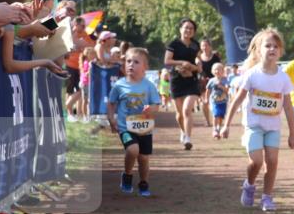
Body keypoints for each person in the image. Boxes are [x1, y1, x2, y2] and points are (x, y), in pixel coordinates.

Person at [221, 28, 294, 211]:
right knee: (256, 161)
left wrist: (293, 134)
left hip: (273, 127)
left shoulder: (283, 77)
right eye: (268, 45)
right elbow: (237, 99)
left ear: (280, 51)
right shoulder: (252, 74)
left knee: (272, 161)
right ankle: (249, 184)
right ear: (258, 50)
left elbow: (288, 106)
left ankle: (267, 197)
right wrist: (226, 125)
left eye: (276, 46)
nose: (272, 49)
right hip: (253, 126)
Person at [106, 48, 161, 197]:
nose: (131, 65)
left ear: (145, 67)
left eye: (136, 62)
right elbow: (111, 103)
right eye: (128, 61)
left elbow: (156, 104)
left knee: (143, 158)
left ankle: (143, 182)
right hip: (125, 127)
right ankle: (127, 175)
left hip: (144, 128)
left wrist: (151, 109)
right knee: (132, 150)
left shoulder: (149, 86)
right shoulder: (119, 85)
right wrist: (112, 119)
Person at [164, 18, 202, 150]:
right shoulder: (174, 44)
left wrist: (195, 66)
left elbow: (199, 62)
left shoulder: (195, 45)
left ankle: (188, 138)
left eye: (191, 28)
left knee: (187, 110)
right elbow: (167, 61)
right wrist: (181, 63)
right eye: (186, 27)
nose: (188, 30)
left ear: (194, 32)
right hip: (176, 80)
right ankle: (183, 131)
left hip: (191, 80)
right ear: (180, 29)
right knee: (180, 113)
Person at [64, 16, 94, 119]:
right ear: (75, 25)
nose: (84, 27)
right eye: (82, 25)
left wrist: (82, 45)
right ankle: (69, 113)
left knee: (80, 90)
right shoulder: (69, 34)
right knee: (70, 89)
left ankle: (79, 113)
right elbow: (67, 45)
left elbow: (90, 46)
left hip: (80, 67)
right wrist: (77, 44)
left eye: (85, 25)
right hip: (70, 65)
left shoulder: (84, 34)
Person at [197, 38, 221, 127]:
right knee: (204, 102)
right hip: (203, 82)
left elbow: (220, 67)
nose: (204, 47)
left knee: (216, 101)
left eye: (206, 45)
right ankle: (207, 121)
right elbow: (197, 71)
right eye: (202, 45)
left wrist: (219, 79)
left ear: (210, 47)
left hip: (215, 82)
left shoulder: (215, 56)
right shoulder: (198, 58)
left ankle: (217, 119)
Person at [207, 63, 230, 139]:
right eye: (215, 69)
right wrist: (206, 99)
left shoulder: (225, 80)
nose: (217, 71)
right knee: (215, 115)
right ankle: (214, 129)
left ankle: (219, 128)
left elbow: (227, 90)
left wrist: (221, 86)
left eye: (219, 69)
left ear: (222, 71)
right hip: (214, 101)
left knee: (220, 116)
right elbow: (208, 90)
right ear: (212, 71)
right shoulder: (211, 80)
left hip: (223, 101)